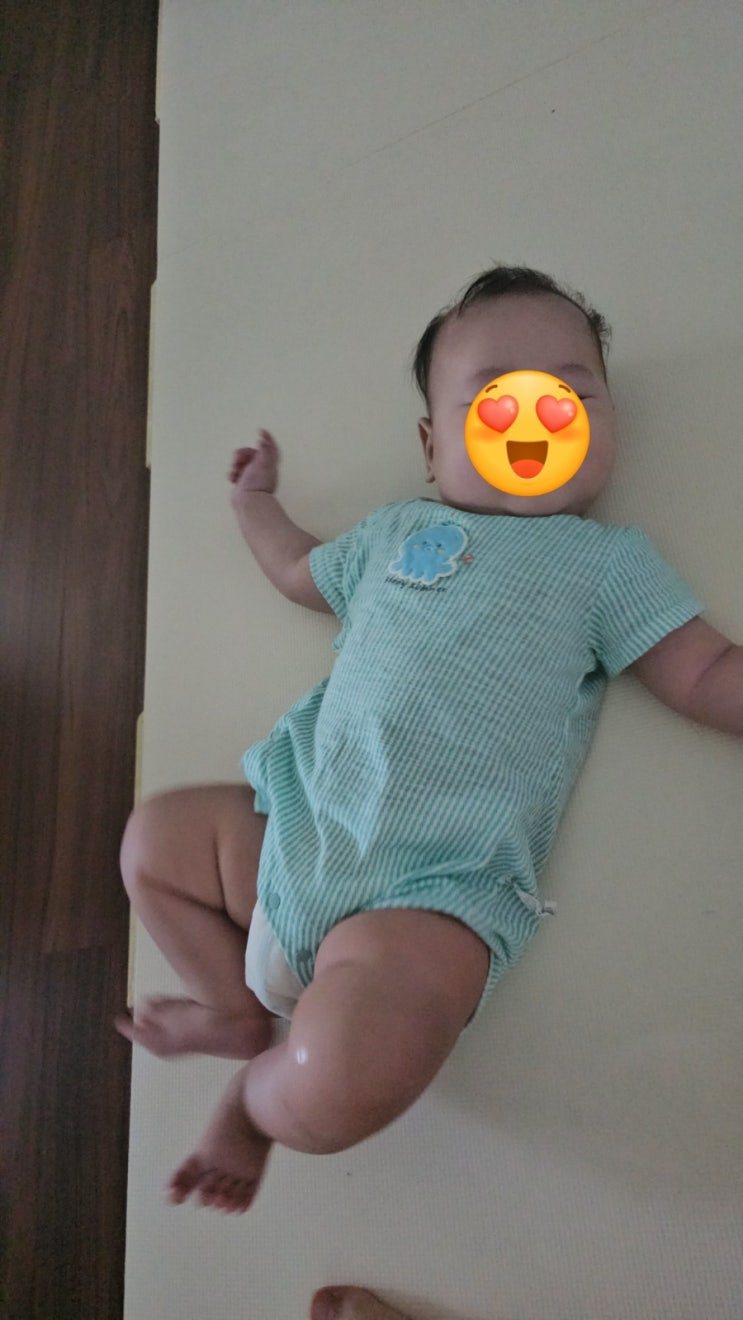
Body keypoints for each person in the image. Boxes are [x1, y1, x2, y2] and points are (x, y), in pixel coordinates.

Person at [116, 266, 742, 1216]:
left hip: (431, 892)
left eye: (569, 397)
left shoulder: (605, 564)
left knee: (355, 1070)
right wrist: (256, 507)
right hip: (295, 830)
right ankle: (234, 1010)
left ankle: (256, 1098)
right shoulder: (392, 532)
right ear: (431, 444)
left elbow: (702, 673)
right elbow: (297, 571)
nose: (533, 422)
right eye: (494, 400)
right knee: (154, 841)